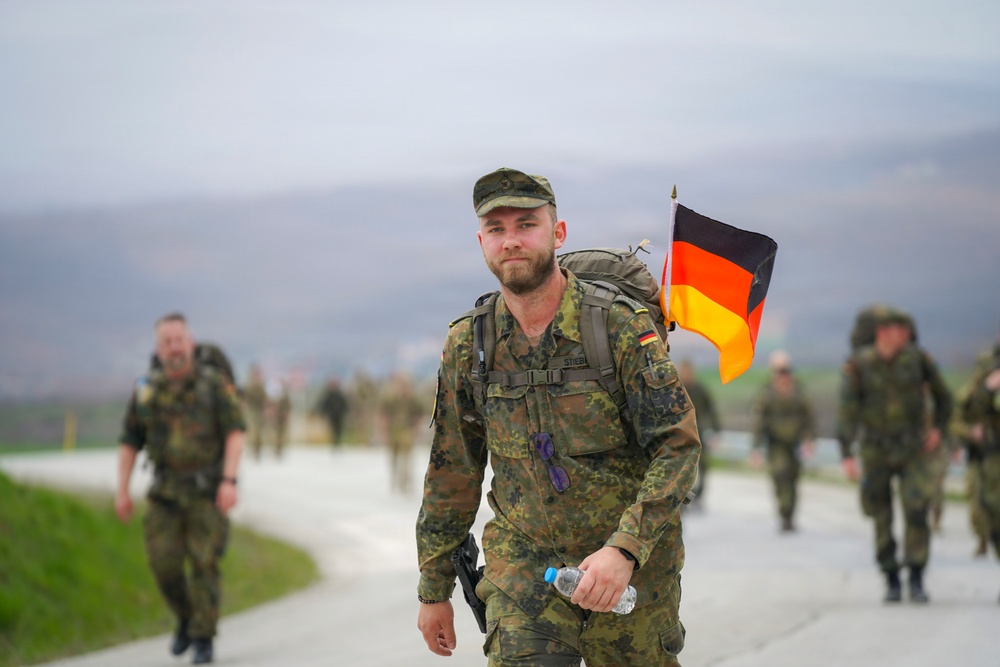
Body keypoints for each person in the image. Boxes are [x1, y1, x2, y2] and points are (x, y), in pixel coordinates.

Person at [415, 167, 700, 666]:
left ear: (557, 232)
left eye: (527, 225)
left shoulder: (617, 328)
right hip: (526, 572)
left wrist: (625, 550)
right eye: (497, 230)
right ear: (481, 241)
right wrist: (433, 587)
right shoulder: (470, 345)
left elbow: (677, 447)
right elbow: (451, 472)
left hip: (630, 572)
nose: (511, 241)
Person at [115, 313, 245, 664]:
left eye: (179, 340)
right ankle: (187, 618)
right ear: (158, 349)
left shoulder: (213, 384)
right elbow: (129, 441)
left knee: (204, 563)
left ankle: (204, 639)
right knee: (163, 564)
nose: (174, 348)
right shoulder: (146, 391)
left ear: (191, 343)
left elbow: (235, 430)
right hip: (165, 494)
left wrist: (229, 480)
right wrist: (122, 490)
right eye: (167, 342)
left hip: (206, 491)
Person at [837, 306, 952, 604]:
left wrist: (938, 428)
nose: (906, 336)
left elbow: (944, 397)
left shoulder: (917, 361)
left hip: (913, 448)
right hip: (875, 450)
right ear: (883, 333)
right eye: (900, 331)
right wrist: (847, 453)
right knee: (881, 514)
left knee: (917, 509)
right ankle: (890, 577)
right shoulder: (859, 365)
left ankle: (915, 576)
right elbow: (847, 411)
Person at [749, 350, 815, 532]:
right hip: (776, 444)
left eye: (786, 370)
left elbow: (809, 417)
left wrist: (810, 440)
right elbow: (759, 421)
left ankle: (789, 515)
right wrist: (755, 448)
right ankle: (784, 512)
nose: (783, 375)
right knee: (780, 475)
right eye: (779, 371)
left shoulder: (799, 391)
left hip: (794, 443)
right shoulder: (767, 393)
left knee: (793, 479)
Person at [960, 336, 1000, 600]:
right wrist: (988, 388)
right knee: (992, 511)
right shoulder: (988, 370)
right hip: (993, 455)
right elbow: (969, 410)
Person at [677, 359, 720, 510]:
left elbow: (711, 410)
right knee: (683, 469)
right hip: (681, 435)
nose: (687, 375)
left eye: (690, 372)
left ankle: (698, 496)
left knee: (703, 466)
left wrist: (716, 430)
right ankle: (684, 499)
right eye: (685, 372)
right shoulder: (676, 389)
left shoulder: (700, 390)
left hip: (699, 433)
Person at [379, 372, 426, 494]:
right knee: (393, 458)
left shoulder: (413, 398)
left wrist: (417, 429)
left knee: (406, 459)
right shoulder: (390, 398)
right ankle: (395, 479)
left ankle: (405, 482)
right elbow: (384, 415)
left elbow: (419, 415)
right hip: (393, 430)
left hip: (407, 430)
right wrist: (385, 433)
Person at [314, 378, 350, 447]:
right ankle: (335, 442)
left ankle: (337, 441)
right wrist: (322, 412)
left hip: (339, 416)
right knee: (333, 429)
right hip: (332, 416)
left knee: (339, 429)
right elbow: (323, 405)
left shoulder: (340, 395)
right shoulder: (328, 395)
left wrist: (346, 412)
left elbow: (345, 405)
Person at [242, 364, 267, 460]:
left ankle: (257, 451)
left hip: (259, 412)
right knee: (252, 432)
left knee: (259, 433)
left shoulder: (261, 387)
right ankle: (251, 450)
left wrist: (266, 410)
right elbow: (244, 399)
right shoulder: (248, 386)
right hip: (251, 411)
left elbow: (265, 400)